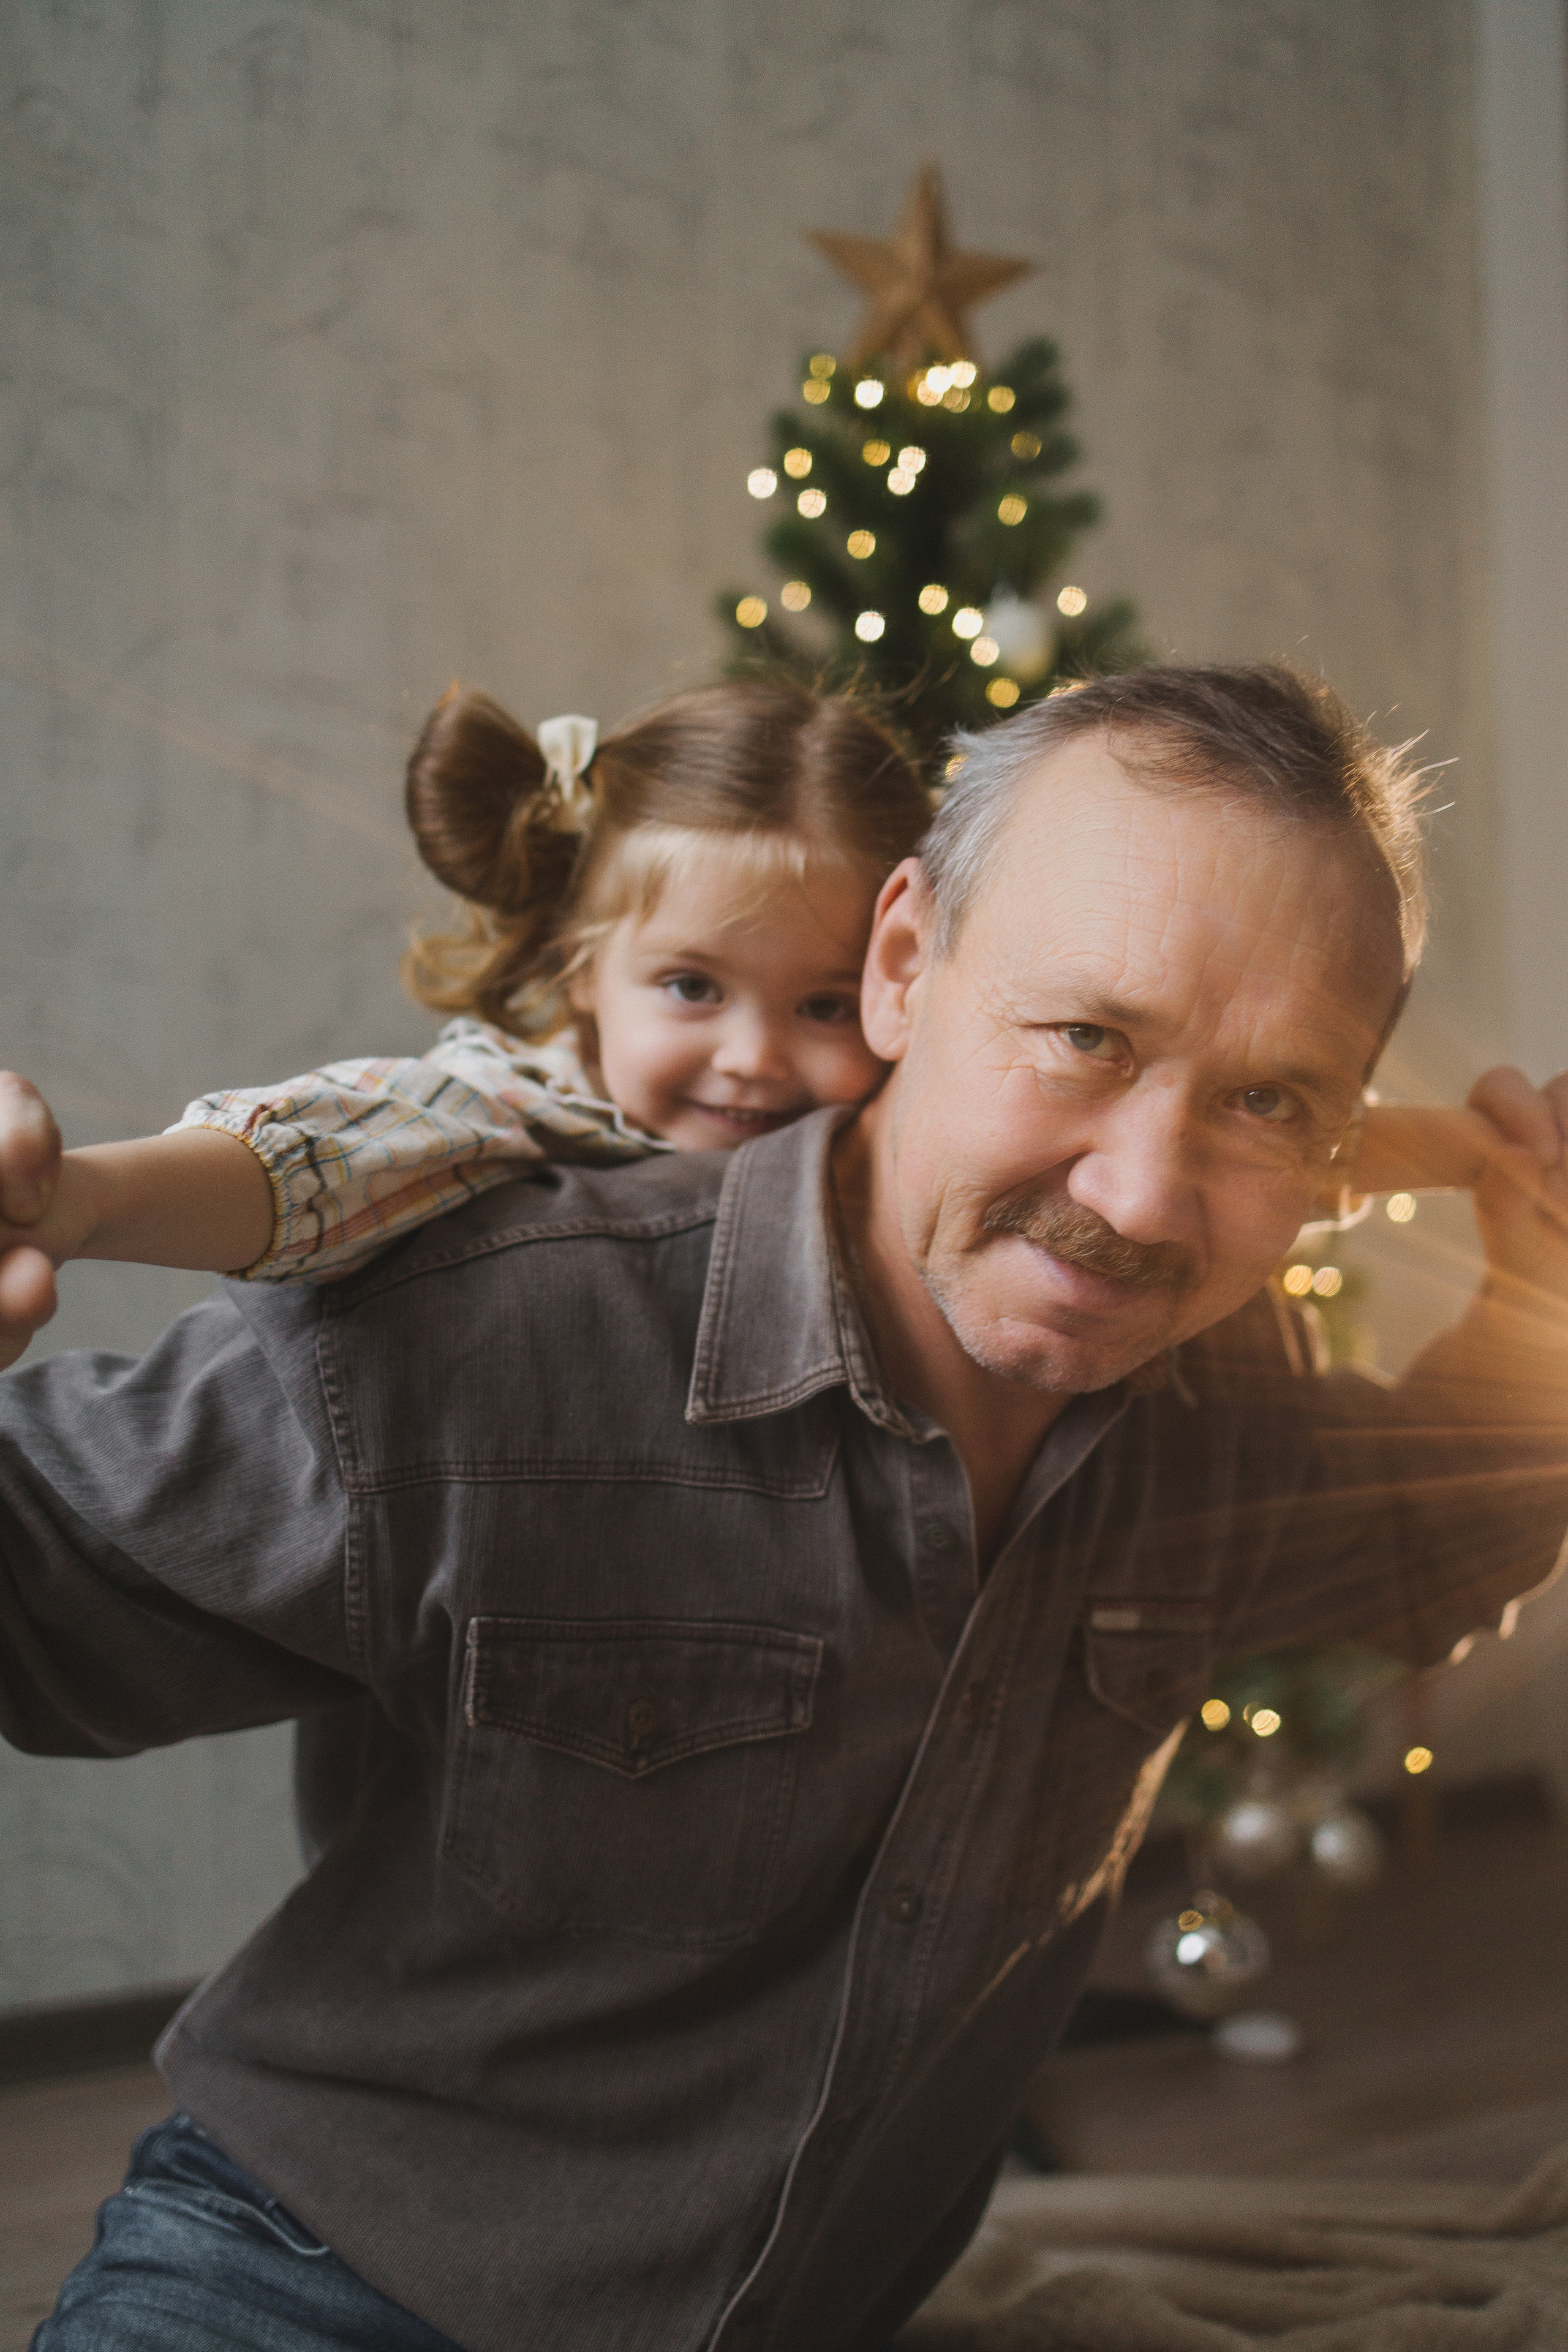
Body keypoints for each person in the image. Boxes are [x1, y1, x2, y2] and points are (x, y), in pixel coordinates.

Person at [6, 661, 1568, 2352]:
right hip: (307, 2285)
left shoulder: (1220, 1408)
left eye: (1267, 1100)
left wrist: (1535, 1295)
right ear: (902, 964)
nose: (1139, 1200)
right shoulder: (491, 1325)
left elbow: (1432, 1547)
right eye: (1084, 1038)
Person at [0, 674, 1501, 1359]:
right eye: (690, 988)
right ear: (580, 968)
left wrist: (1481, 1155)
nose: (753, 1056)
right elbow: (311, 1160)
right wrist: (80, 1202)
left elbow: (1259, 1142)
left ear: (902, 981)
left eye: (819, 1002)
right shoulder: (516, 1115)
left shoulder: (905, 1127)